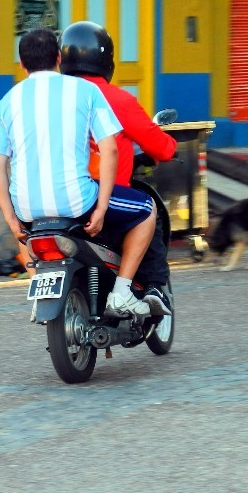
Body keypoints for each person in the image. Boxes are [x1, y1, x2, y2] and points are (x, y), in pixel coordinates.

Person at [0, 28, 157, 318]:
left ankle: (39, 285)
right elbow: (110, 149)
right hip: (78, 202)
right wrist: (101, 208)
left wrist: (11, 220)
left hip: (27, 209)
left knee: (25, 229)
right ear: (59, 58)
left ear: (22, 64)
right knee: (146, 209)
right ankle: (123, 292)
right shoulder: (86, 91)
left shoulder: (7, 102)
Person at [59, 20, 177, 316]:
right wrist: (169, 146)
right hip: (100, 199)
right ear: (105, 59)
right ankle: (151, 288)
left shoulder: (53, 97)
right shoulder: (117, 99)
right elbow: (161, 147)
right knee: (148, 211)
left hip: (53, 196)